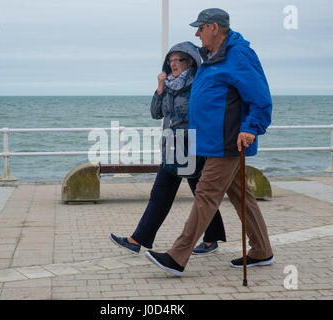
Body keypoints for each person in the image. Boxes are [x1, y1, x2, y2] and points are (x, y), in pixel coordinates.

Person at [145, 8, 275, 276]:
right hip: (212, 141)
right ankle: (262, 250)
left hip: (228, 141)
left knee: (205, 195)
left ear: (214, 27)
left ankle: (177, 257)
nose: (197, 33)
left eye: (200, 28)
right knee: (242, 197)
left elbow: (260, 97)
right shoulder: (212, 58)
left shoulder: (239, 55)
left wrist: (252, 128)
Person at [110, 42, 227, 256]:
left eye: (178, 60)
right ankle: (211, 238)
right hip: (171, 145)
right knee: (199, 194)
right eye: (170, 60)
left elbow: (204, 114)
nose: (173, 64)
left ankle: (137, 239)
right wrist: (160, 88)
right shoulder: (170, 85)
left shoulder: (197, 85)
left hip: (190, 145)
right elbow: (156, 113)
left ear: (189, 61)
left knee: (166, 194)